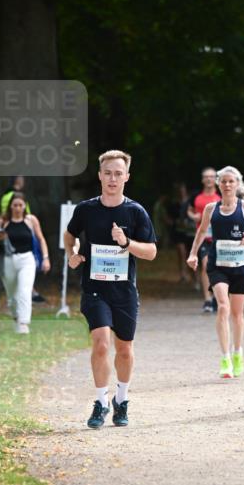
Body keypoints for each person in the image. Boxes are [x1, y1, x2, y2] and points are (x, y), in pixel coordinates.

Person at [63, 149, 157, 429]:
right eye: (108, 173)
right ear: (100, 176)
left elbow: (151, 252)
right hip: (94, 288)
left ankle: (122, 399)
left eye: (118, 173)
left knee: (124, 349)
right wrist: (74, 252)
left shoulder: (135, 211)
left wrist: (127, 242)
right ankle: (101, 402)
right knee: (101, 343)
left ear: (127, 177)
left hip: (124, 291)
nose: (113, 178)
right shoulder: (86, 209)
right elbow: (70, 235)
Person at [187, 167, 244, 377]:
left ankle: (237, 352)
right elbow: (201, 231)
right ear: (218, 184)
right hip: (218, 266)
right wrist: (193, 254)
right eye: (223, 181)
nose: (227, 185)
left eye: (231, 181)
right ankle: (225, 358)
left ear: (237, 184)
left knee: (237, 313)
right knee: (223, 307)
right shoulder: (210, 208)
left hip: (241, 267)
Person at [0, 193, 50, 334]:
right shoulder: (3, 221)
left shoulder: (31, 220)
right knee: (12, 296)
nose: (18, 208)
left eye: (21, 205)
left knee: (24, 291)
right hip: (8, 260)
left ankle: (23, 322)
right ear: (10, 206)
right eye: (15, 205)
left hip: (27, 260)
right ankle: (16, 317)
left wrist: (45, 258)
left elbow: (41, 239)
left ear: (25, 206)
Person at [187, 168, 221, 313]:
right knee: (206, 265)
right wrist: (193, 216)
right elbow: (189, 209)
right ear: (202, 179)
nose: (209, 179)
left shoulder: (220, 196)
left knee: (219, 267)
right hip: (203, 237)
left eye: (211, 177)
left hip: (220, 238)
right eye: (206, 177)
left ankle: (217, 297)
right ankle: (207, 299)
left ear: (216, 179)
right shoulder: (196, 196)